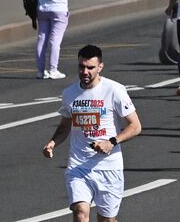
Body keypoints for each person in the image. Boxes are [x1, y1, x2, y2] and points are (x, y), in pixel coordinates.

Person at [41, 44, 142, 222]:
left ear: (100, 67)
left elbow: (135, 126)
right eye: (81, 67)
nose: (85, 72)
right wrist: (52, 142)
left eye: (90, 68)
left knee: (107, 220)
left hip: (109, 167)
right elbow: (65, 126)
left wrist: (111, 142)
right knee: (80, 212)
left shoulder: (114, 90)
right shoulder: (69, 93)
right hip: (78, 166)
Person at [35, 0, 75, 80]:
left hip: (42, 10)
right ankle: (53, 70)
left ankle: (40, 71)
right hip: (59, 10)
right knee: (55, 41)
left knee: (42, 39)